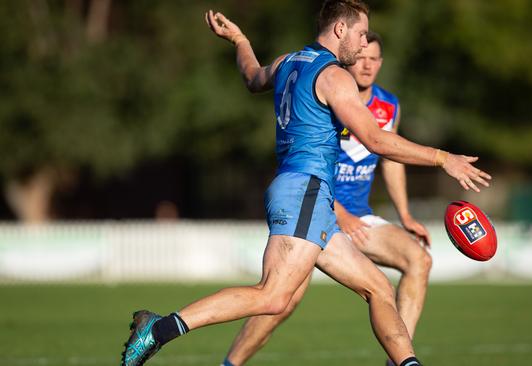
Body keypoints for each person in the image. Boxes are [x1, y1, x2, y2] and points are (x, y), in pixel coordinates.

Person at [120, 1, 491, 365]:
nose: (364, 46)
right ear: (340, 29)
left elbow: (252, 77)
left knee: (378, 288)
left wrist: (240, 41)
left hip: (307, 194)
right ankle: (160, 329)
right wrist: (444, 158)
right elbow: (375, 140)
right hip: (306, 190)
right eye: (361, 35)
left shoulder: (288, 62)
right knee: (274, 297)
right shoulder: (334, 76)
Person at [218, 31, 433, 366]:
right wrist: (339, 212)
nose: (367, 64)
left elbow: (390, 161)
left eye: (374, 59)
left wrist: (405, 215)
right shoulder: (331, 89)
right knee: (279, 302)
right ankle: (229, 363)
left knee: (418, 260)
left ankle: (400, 361)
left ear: (380, 63)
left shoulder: (388, 105)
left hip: (360, 219)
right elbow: (312, 162)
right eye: (362, 56)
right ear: (350, 56)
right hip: (321, 209)